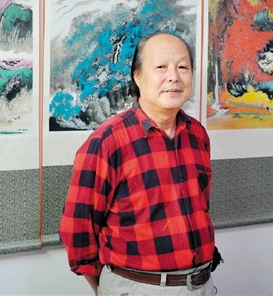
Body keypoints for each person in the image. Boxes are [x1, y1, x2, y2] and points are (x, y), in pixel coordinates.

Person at [59, 31, 216, 295]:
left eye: (183, 67)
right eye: (161, 67)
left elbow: (202, 207)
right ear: (138, 76)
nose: (173, 77)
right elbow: (78, 229)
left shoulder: (197, 134)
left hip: (201, 284)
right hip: (137, 287)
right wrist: (109, 287)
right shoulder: (107, 142)